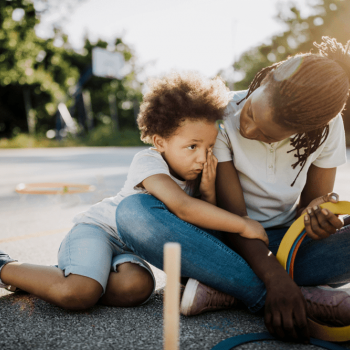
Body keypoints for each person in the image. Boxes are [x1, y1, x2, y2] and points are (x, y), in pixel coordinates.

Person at [114, 37, 350, 342]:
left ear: (303, 131)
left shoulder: (326, 129)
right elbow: (234, 216)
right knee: (134, 213)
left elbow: (310, 207)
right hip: (223, 240)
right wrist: (276, 282)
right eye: (251, 112)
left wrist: (318, 219)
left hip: (284, 246)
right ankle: (286, 295)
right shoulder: (222, 115)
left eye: (265, 134)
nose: (247, 127)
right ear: (264, 79)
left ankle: (224, 287)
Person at [0, 72, 268, 311]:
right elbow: (184, 208)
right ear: (160, 142)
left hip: (127, 249)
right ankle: (6, 267)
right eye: (192, 146)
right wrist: (242, 225)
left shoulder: (199, 174)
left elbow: (201, 233)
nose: (202, 157)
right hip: (99, 231)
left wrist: (208, 191)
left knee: (137, 289)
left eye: (209, 147)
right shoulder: (149, 162)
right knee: (79, 292)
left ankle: (54, 281)